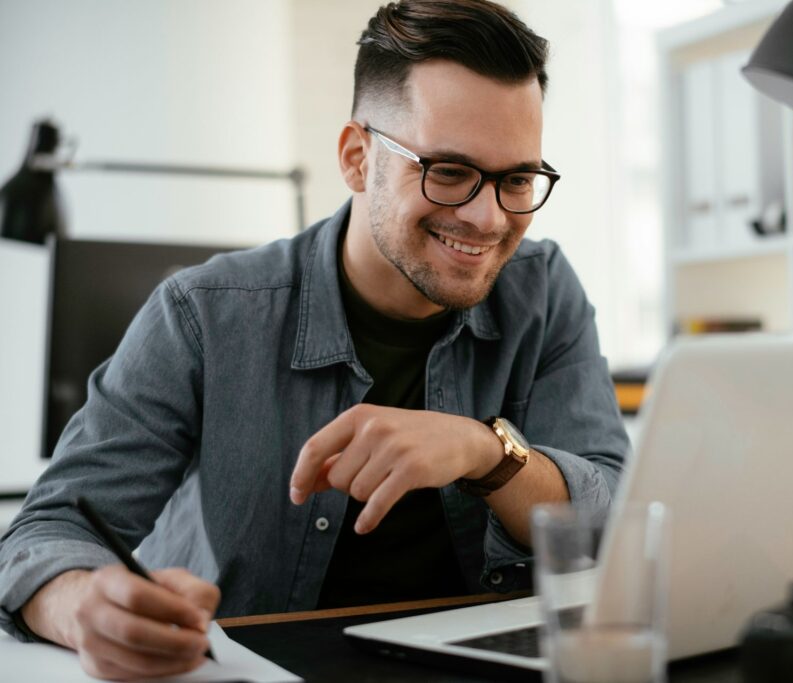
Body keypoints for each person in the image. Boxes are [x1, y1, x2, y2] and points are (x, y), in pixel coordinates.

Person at [0, 1, 629, 679]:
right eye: (448, 171)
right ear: (358, 159)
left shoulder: (545, 290)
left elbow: (616, 521)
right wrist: (85, 605)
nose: (486, 217)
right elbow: (43, 534)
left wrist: (484, 451)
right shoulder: (201, 315)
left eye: (516, 179)